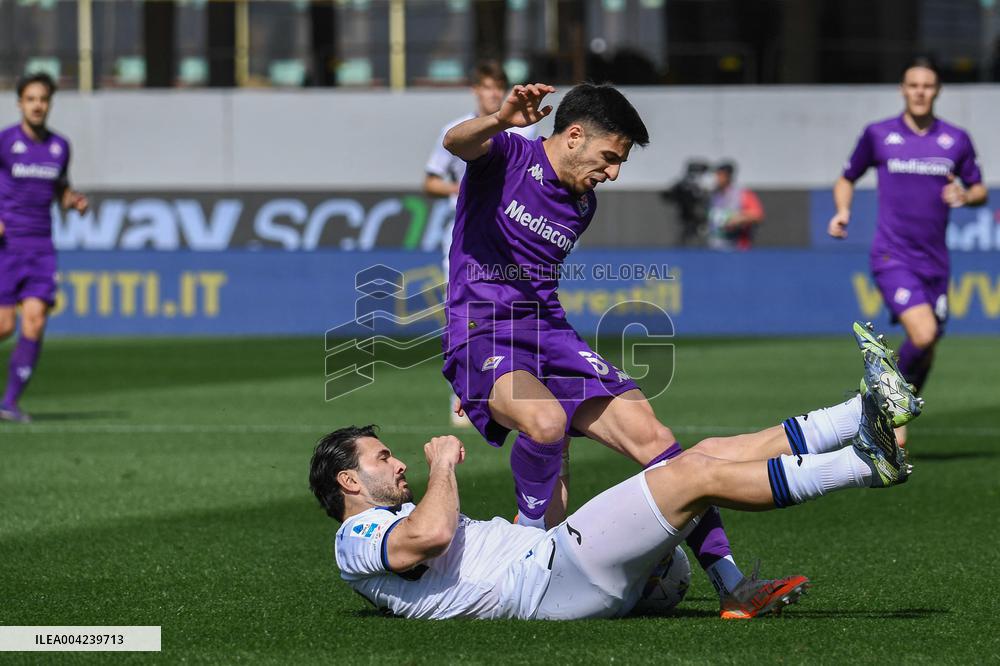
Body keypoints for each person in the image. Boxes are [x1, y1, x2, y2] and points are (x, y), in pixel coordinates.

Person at [438, 81, 802, 617]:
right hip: (481, 330)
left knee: (658, 440)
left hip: (548, 332)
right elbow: (455, 142)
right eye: (610, 157)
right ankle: (524, 549)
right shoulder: (510, 153)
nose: (612, 173)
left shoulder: (581, 203)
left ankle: (730, 584)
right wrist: (499, 119)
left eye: (620, 163)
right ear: (574, 136)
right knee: (544, 421)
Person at [309, 324, 917, 620]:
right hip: (548, 583)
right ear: (349, 482)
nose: (398, 462)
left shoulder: (387, 530)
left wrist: (549, 450)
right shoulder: (354, 537)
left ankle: (858, 412)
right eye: (381, 458)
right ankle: (862, 463)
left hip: (555, 570)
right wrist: (443, 462)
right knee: (687, 476)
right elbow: (431, 535)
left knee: (700, 456)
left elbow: (527, 529)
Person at [828, 57, 987, 447]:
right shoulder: (879, 134)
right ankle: (883, 393)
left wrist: (966, 195)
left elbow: (979, 189)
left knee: (927, 349)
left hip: (935, 262)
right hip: (892, 255)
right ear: (902, 89)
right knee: (924, 332)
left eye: (927, 86)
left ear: (938, 91)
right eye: (913, 85)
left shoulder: (955, 139)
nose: (920, 92)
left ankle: (890, 411)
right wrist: (843, 211)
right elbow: (846, 178)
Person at [424, 61, 538, 427]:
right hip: (465, 239)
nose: (492, 93)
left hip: (511, 237)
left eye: (497, 86)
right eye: (486, 86)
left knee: (516, 313)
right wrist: (462, 187)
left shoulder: (527, 129)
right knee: (465, 315)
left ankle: (514, 393)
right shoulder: (457, 130)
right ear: (475, 90)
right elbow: (430, 181)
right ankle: (461, 396)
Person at [0, 73, 88, 423]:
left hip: (41, 247)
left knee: (34, 322)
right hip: (7, 246)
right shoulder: (5, 142)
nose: (37, 105)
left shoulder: (59, 147)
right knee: (4, 326)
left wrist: (73, 201)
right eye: (31, 99)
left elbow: (61, 189)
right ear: (20, 103)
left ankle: (8, 404)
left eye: (43, 99)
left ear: (50, 103)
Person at [706, 161, 764, 251]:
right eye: (717, 175)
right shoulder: (714, 195)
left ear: (728, 176)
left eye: (720, 175)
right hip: (716, 248)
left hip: (738, 248)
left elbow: (757, 215)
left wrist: (738, 219)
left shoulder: (743, 194)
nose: (717, 178)